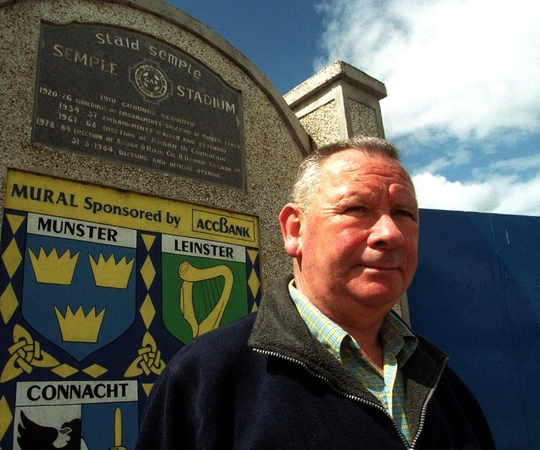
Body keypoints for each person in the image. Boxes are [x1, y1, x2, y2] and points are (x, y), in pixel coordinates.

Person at [135, 137, 495, 449]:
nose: (391, 233)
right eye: (357, 208)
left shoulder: (442, 382)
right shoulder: (204, 378)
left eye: (404, 213)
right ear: (295, 231)